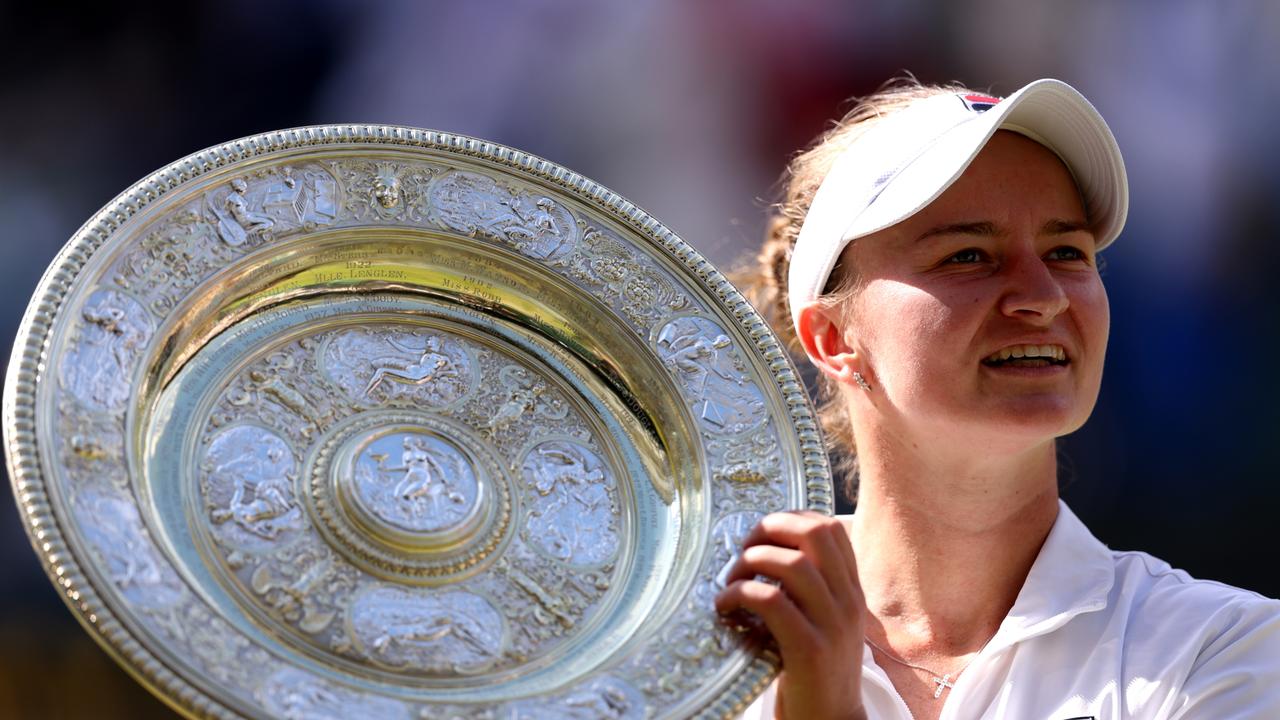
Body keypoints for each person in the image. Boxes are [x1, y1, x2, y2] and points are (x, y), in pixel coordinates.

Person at [715, 78, 1280, 719]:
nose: (1043, 296)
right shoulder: (697, 652)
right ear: (834, 337)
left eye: (1067, 252)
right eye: (968, 256)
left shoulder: (1225, 646)